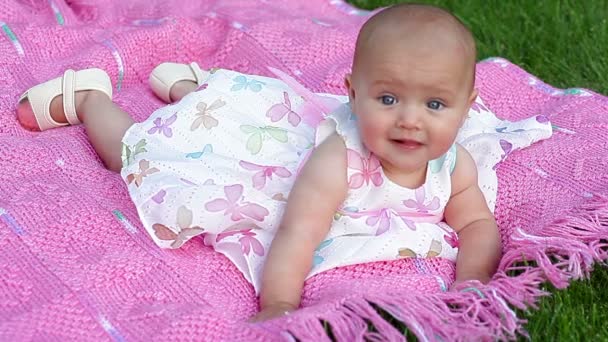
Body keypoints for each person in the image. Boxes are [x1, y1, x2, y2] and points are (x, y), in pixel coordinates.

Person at [16, 3, 501, 323]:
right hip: (260, 166)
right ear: (353, 95)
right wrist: (281, 304)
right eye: (389, 98)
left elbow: (478, 223)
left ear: (466, 105)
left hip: (275, 129)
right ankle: (89, 98)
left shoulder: (452, 166)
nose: (410, 121)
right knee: (143, 156)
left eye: (435, 105)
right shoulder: (338, 162)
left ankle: (196, 89)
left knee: (224, 114)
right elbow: (298, 235)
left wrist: (473, 283)